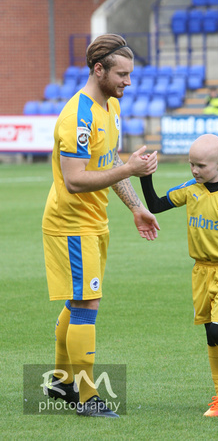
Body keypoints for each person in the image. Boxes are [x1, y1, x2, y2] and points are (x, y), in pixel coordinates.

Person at [42, 33, 160, 418]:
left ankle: (60, 380)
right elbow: (75, 179)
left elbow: (109, 162)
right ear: (99, 70)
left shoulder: (111, 106)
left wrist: (136, 207)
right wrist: (128, 168)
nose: (128, 82)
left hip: (95, 221)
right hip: (72, 223)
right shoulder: (78, 115)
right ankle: (86, 396)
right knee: (87, 303)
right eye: (122, 74)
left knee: (78, 300)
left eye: (129, 74)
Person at [140, 134, 218, 417]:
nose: (195, 171)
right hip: (200, 271)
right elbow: (157, 205)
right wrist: (146, 176)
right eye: (191, 164)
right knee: (211, 335)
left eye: (201, 166)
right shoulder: (191, 189)